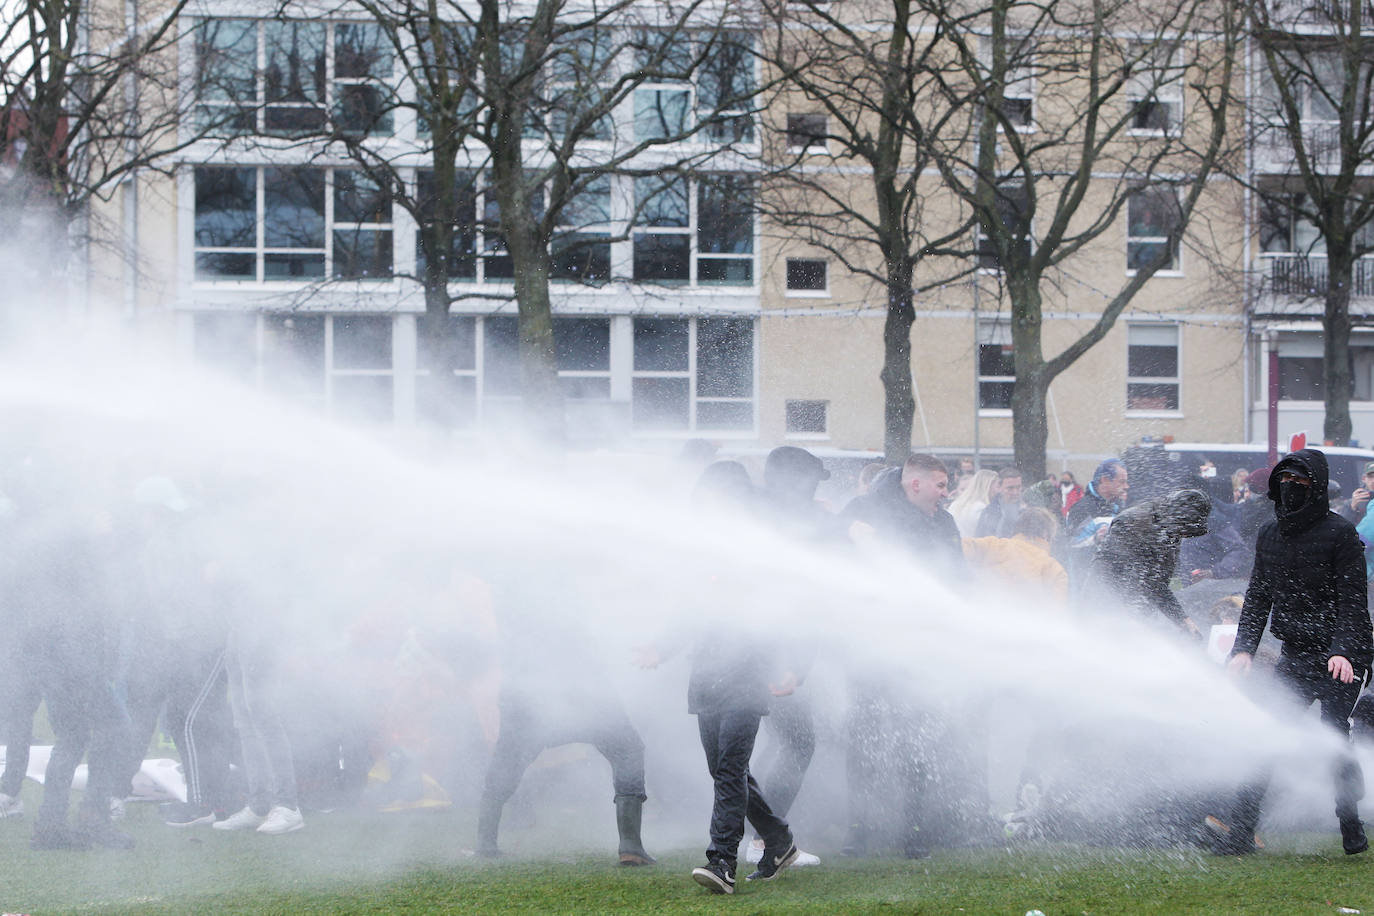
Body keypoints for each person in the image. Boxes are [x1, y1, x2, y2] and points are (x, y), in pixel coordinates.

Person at [1212, 448, 1372, 856]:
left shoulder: (1341, 535)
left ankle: (1350, 823)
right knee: (1270, 735)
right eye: (1285, 482)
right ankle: (1239, 834)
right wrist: (1243, 649)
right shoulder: (1270, 533)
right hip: (1296, 655)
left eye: (1300, 484)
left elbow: (1354, 603)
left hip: (1345, 657)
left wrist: (1343, 653)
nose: (1291, 490)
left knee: (1335, 735)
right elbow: (1259, 595)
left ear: (1315, 488)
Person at [1083, 489, 1210, 638]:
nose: (1184, 536)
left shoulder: (1170, 530)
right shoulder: (1132, 523)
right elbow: (1107, 573)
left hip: (1134, 607)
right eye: (1184, 531)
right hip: (1105, 604)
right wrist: (1125, 614)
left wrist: (1182, 620)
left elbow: (1158, 585)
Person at [947, 469, 999, 538]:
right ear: (988, 486)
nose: (999, 490)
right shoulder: (983, 509)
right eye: (998, 486)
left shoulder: (955, 505)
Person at [976, 467, 1024, 538]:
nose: (1015, 492)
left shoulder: (1027, 509)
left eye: (1018, 487)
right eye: (1010, 488)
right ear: (999, 487)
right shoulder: (989, 512)